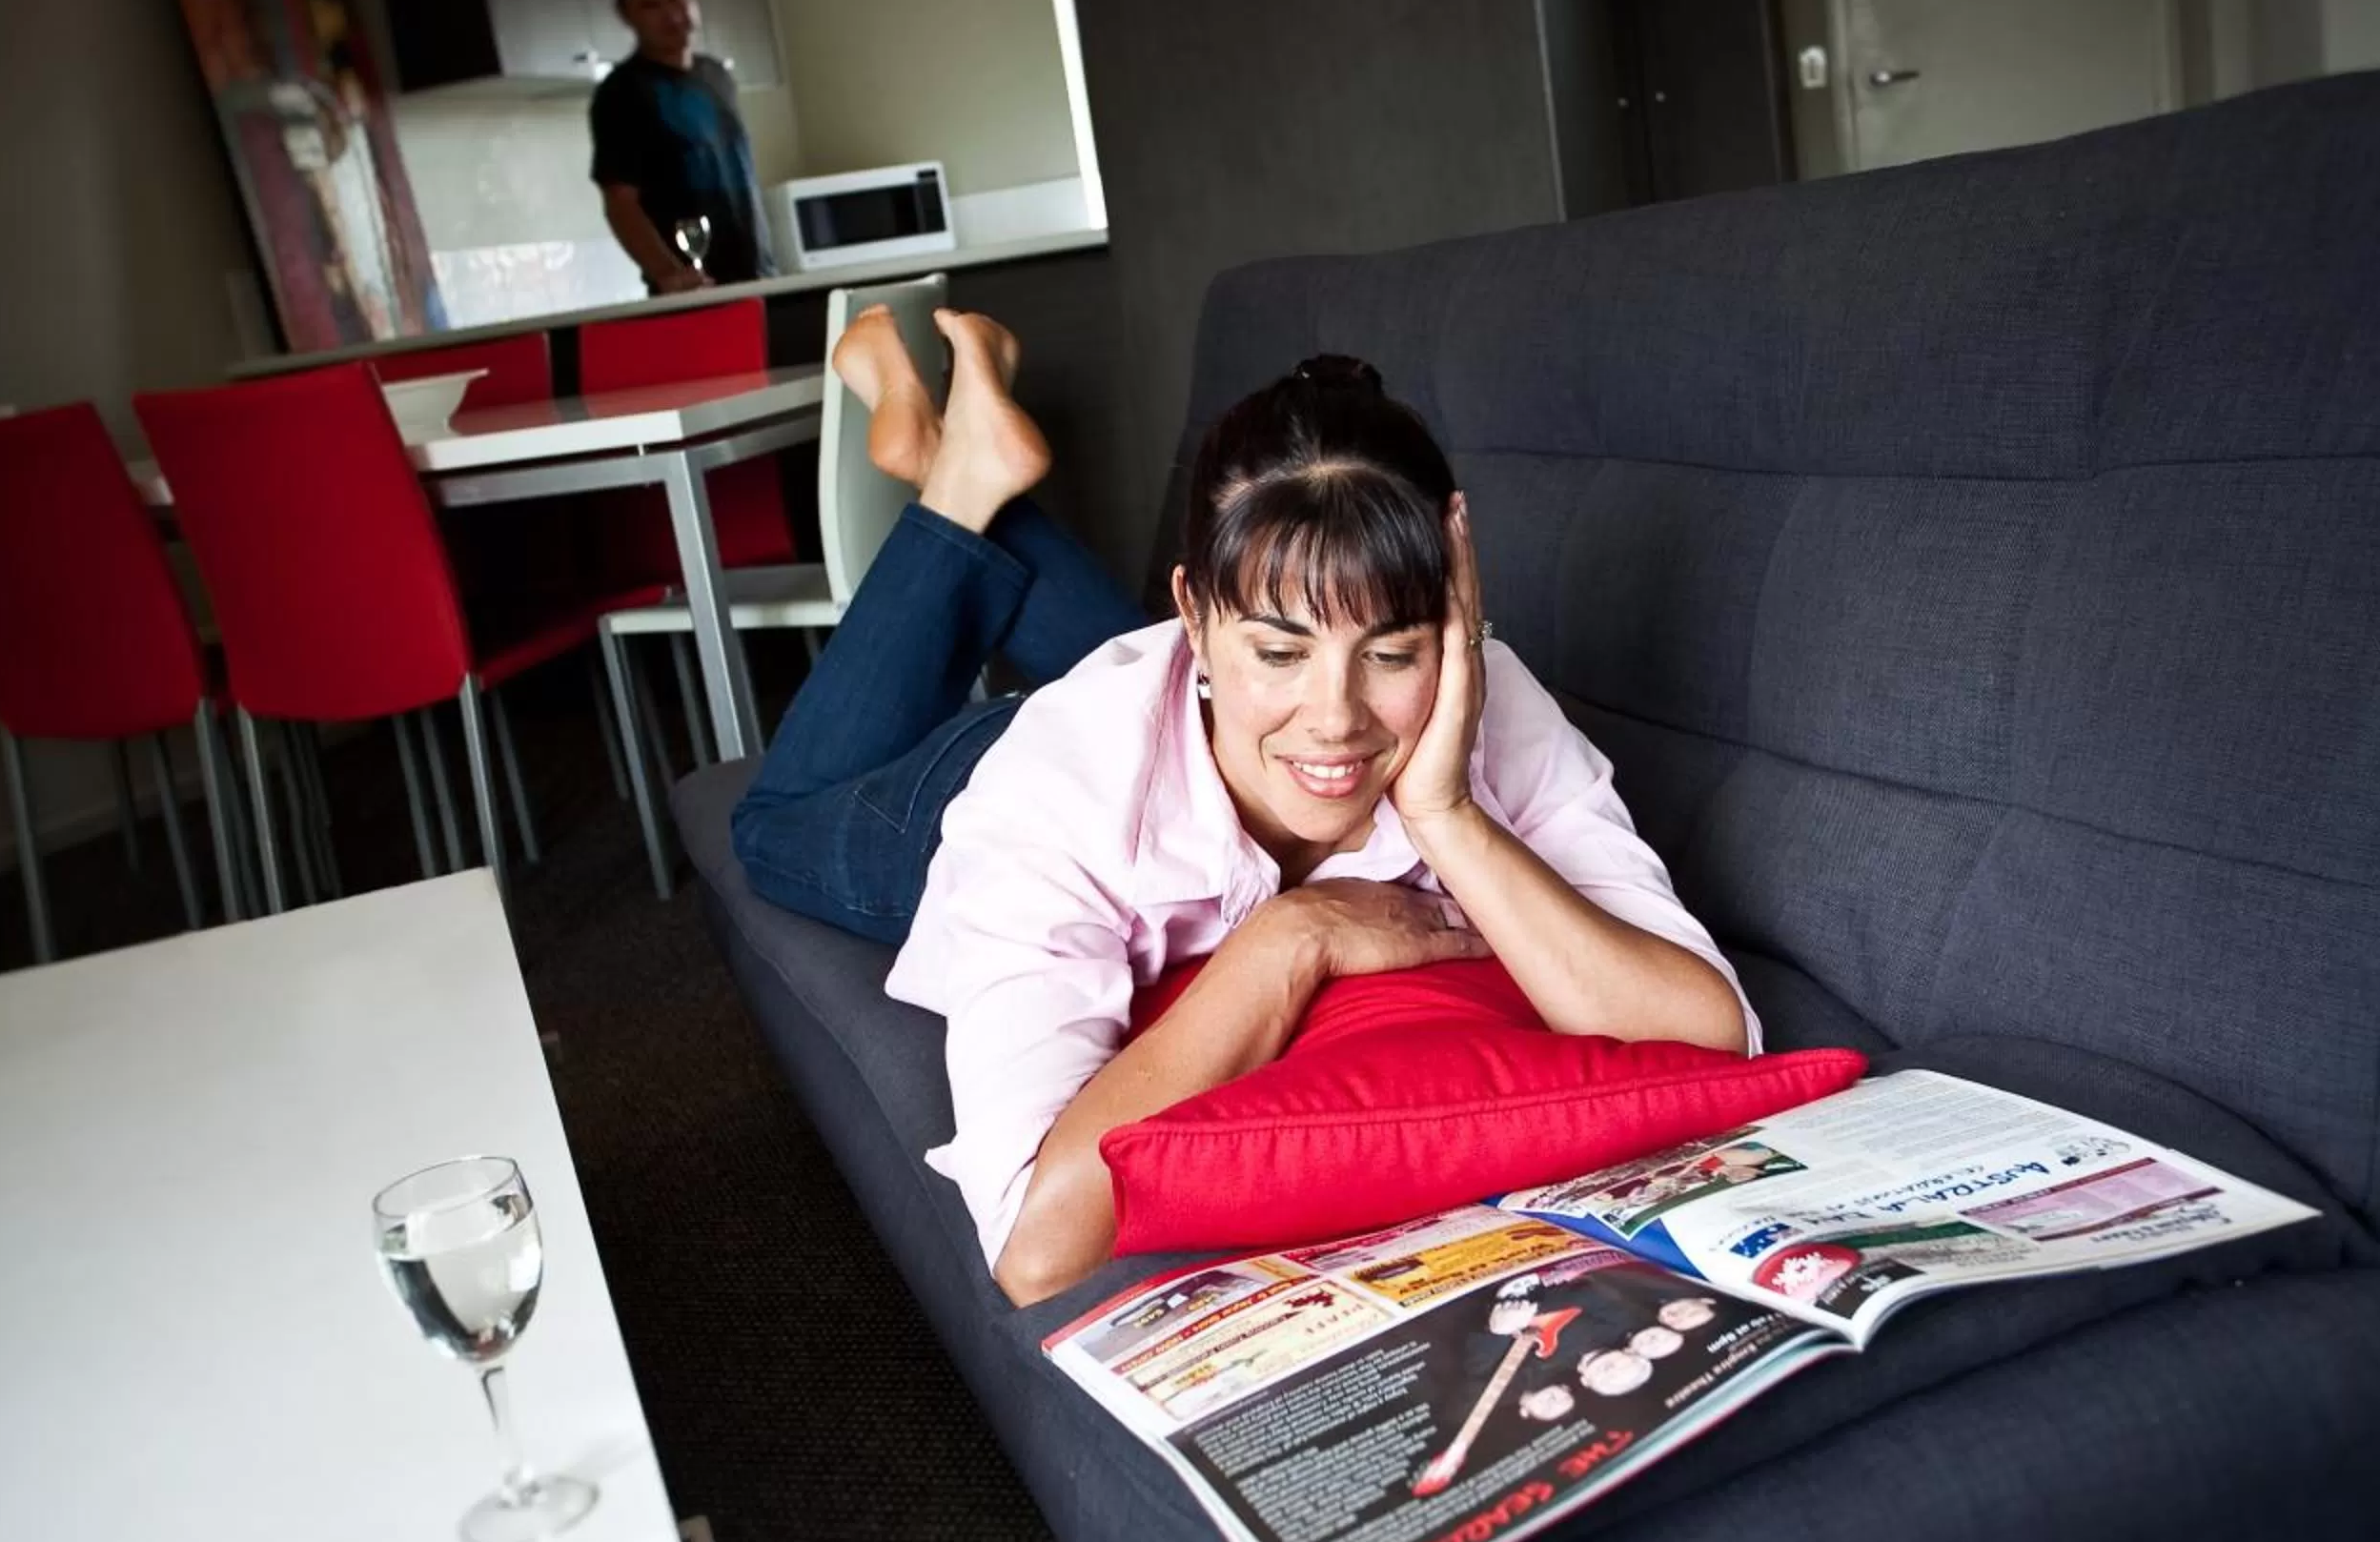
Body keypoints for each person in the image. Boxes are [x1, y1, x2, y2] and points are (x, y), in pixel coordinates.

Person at [730, 310, 1761, 1305]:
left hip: (1198, 706)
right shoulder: (1054, 798)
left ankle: (967, 464)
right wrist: (1290, 937)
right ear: (1191, 615)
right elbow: (1034, 1244)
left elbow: (1710, 1030)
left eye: (1392, 652)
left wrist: (1447, 811)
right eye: (1280, 651)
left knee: (1282, 667)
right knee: (770, 823)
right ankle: (956, 489)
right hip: (975, 779)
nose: (1338, 718)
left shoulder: (1479, 695)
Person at [588, 0, 773, 295]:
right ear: (626, 15)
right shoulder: (622, 93)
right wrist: (669, 275)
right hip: (693, 291)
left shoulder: (717, 76)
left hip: (760, 279)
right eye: (651, 6)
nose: (672, 15)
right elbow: (620, 203)